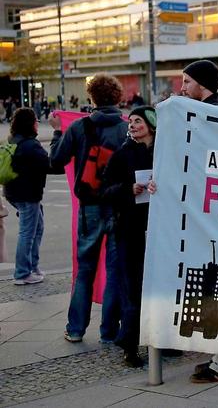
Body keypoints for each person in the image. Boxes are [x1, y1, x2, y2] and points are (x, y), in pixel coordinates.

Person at [175, 60, 218, 383]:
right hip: (215, 211)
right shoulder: (210, 111)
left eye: (186, 82)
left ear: (202, 84)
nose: (182, 88)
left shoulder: (213, 114)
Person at [49, 74, 129, 344]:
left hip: (90, 207)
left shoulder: (79, 127)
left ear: (91, 98)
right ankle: (109, 332)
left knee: (85, 270)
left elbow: (56, 161)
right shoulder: (127, 128)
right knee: (115, 271)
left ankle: (76, 328)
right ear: (118, 97)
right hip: (119, 206)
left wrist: (58, 130)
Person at [102, 106, 156, 367]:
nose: (133, 125)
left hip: (160, 229)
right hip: (130, 230)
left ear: (151, 124)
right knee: (132, 289)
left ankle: (162, 342)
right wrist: (127, 189)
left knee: (158, 288)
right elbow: (106, 190)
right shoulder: (123, 154)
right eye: (131, 121)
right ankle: (130, 346)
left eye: (139, 121)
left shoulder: (166, 152)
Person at [5, 108, 54, 285]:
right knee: (27, 232)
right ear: (31, 123)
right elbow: (50, 164)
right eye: (35, 120)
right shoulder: (31, 145)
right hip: (28, 194)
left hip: (13, 192)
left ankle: (32, 267)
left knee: (37, 226)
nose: (37, 124)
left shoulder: (13, 140)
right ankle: (23, 273)